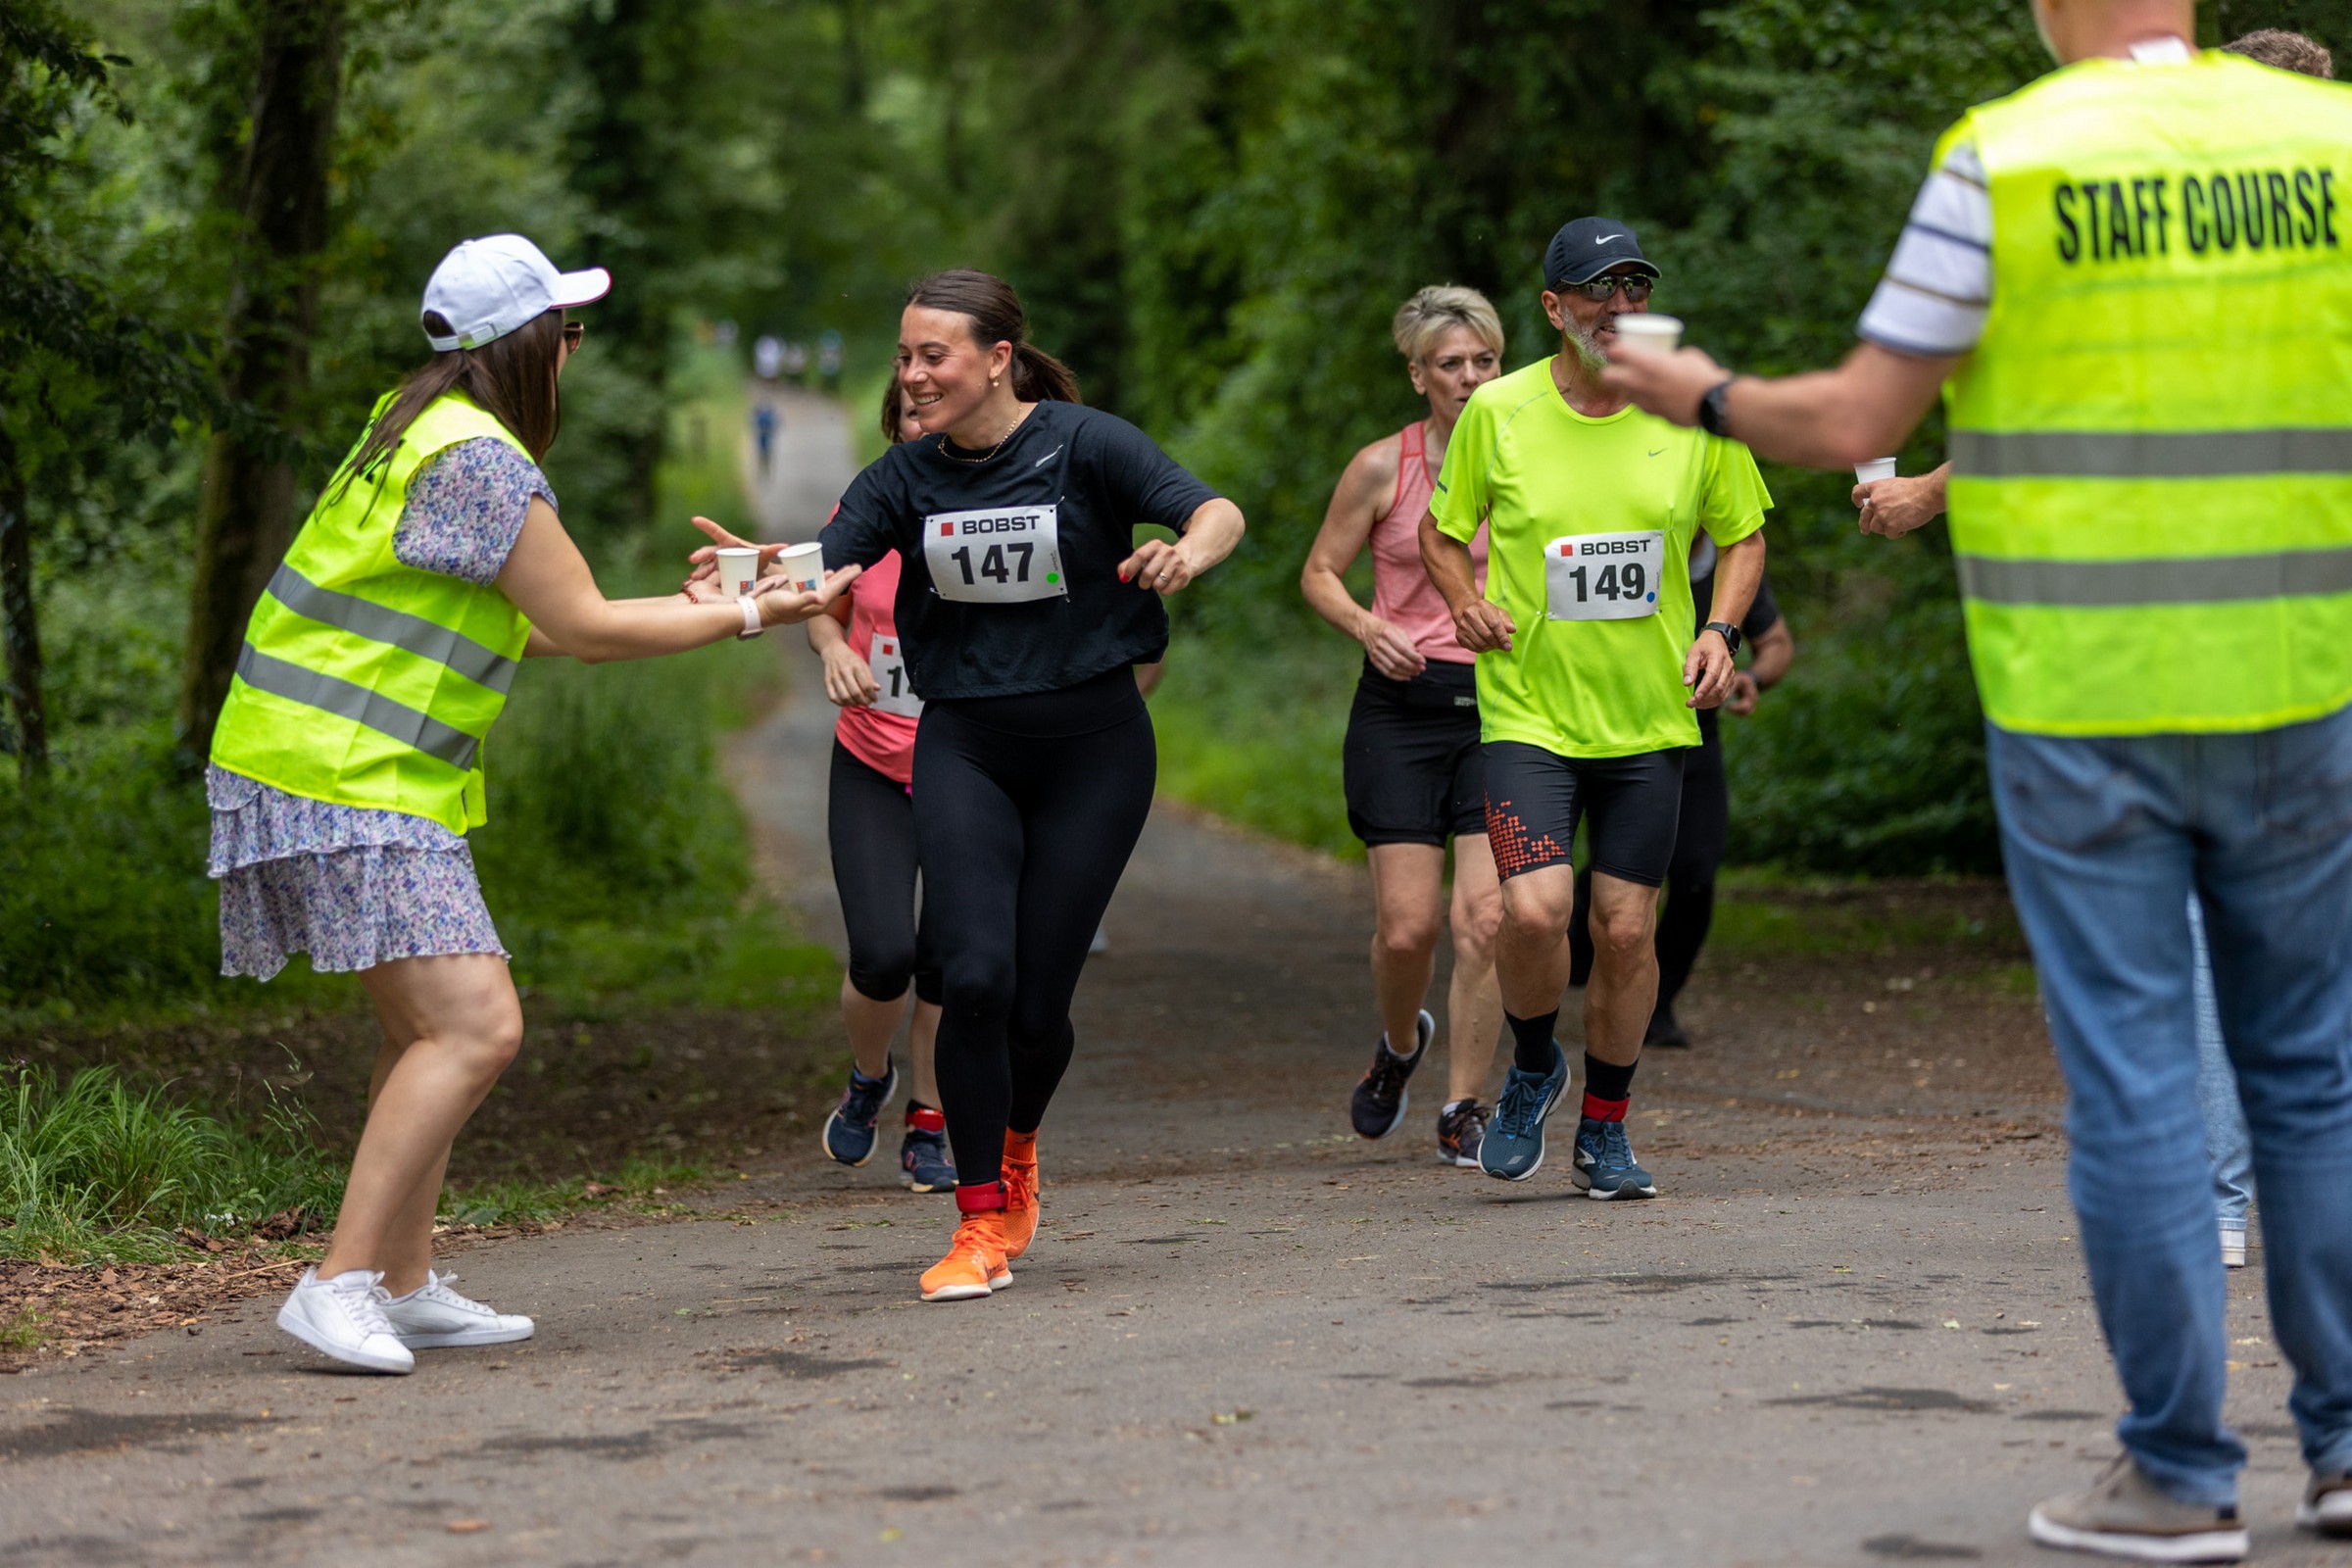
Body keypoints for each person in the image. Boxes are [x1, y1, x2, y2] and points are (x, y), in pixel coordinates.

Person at [1604, 6, 2352, 1556]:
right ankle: (2344, 1453)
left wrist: (1700, 393)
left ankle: (2179, 1475)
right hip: (2302, 676)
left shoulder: (2007, 158)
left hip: (2086, 698)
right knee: (2311, 1073)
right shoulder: (2331, 146)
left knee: (2138, 1080)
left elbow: (1859, 420)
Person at [206, 234, 843, 1375]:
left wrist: (703, 606)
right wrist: (758, 612)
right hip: (345, 773)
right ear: (529, 344)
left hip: (318, 763)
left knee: (423, 1032)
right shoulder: (482, 461)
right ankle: (337, 1281)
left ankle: (400, 1282)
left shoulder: (412, 424)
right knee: (476, 1026)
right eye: (569, 330)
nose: (576, 349)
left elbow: (543, 621)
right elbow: (588, 629)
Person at [820, 270, 1245, 1301]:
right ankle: (976, 1221)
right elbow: (819, 570)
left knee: (1037, 1007)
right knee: (971, 976)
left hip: (1094, 751)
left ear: (998, 359)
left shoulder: (1086, 443)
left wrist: (1187, 553)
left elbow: (1215, 509)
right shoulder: (903, 476)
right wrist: (749, 584)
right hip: (964, 743)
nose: (913, 375)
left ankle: (1017, 1147)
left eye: (934, 355)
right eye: (904, 356)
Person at [1420, 218, 1772, 1200]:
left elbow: (1743, 537)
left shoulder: (1692, 409)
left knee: (1623, 931)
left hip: (1649, 718)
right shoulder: (1500, 410)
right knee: (1535, 910)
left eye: (1635, 288)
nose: (1619, 307)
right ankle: (1536, 1063)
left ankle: (1606, 1130)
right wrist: (1463, 599)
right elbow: (1442, 534)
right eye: (1597, 290)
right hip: (1529, 712)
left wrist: (1721, 630)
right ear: (1553, 307)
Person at [1300, 285, 1506, 1166]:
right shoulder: (1383, 466)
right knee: (1407, 929)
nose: (1469, 377)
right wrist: (1367, 625)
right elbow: (1318, 572)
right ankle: (1398, 1044)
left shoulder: (1533, 459)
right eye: (1450, 364)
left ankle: (1464, 1108)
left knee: (1485, 920)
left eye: (1485, 361)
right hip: (1402, 707)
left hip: (1504, 706)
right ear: (1419, 375)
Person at [803, 379, 953, 1193]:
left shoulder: (1002, 513)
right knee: (884, 953)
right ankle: (869, 1077)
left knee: (951, 962)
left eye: (939, 408)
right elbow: (816, 599)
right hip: (872, 761)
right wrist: (833, 647)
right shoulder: (866, 510)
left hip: (970, 768)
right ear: (893, 428)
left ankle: (929, 1121)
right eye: (910, 413)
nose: (925, 424)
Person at [1567, 547, 1794, 1048]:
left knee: (1695, 877)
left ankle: (1659, 1001)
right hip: (1622, 739)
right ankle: (1581, 934)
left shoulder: (1734, 560)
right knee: (1617, 869)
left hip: (1696, 741)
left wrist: (1753, 677)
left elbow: (1777, 643)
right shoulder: (1628, 546)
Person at [753, 400, 779, 474]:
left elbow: (774, 424)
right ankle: (763, 468)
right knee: (763, 451)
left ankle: (765, 468)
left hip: (765, 436)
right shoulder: (765, 416)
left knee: (765, 451)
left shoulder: (764, 416)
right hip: (763, 436)